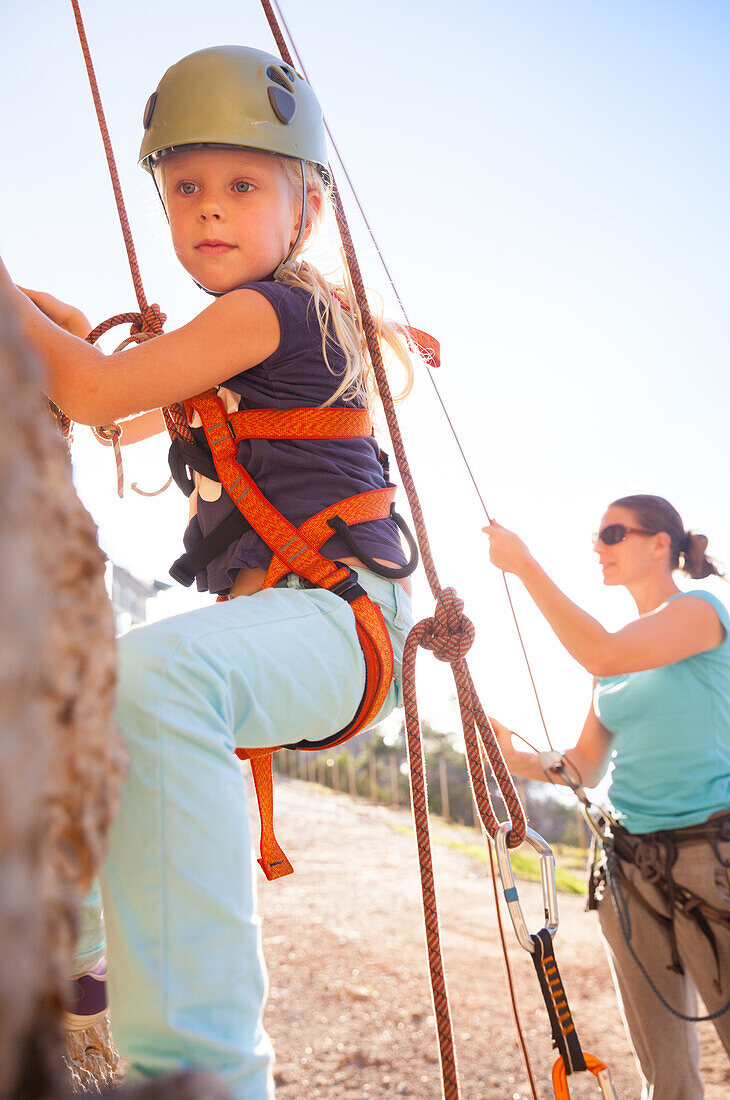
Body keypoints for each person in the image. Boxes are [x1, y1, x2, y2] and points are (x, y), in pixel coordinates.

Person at [0, 45, 416, 1099]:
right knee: (106, 694)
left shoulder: (263, 313)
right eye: (185, 187)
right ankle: (85, 952)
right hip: (298, 624)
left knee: (152, 677)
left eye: (241, 185)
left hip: (336, 619)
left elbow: (94, 394)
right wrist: (40, 326)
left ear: (304, 211)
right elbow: (120, 401)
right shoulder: (236, 333)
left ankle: (208, 1073)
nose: (208, 209)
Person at [484, 494, 730, 1099]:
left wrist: (524, 565)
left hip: (710, 857)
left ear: (660, 544)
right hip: (628, 869)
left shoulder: (702, 613)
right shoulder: (612, 656)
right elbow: (585, 767)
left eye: (614, 533)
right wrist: (502, 754)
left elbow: (600, 649)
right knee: (665, 1074)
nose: (598, 546)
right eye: (598, 535)